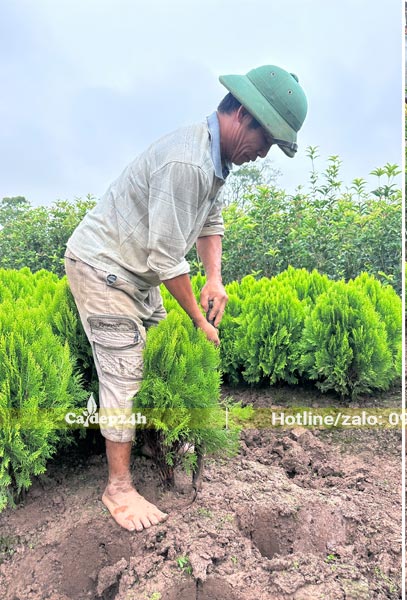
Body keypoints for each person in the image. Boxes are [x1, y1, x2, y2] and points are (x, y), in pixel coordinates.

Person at [64, 65, 308, 532]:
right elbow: (164, 258)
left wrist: (213, 280)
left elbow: (210, 223)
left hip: (136, 271)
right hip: (103, 268)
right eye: (267, 140)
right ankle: (117, 487)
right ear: (241, 115)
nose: (264, 154)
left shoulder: (216, 162)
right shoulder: (187, 162)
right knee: (125, 371)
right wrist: (199, 318)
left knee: (160, 356)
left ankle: (155, 446)